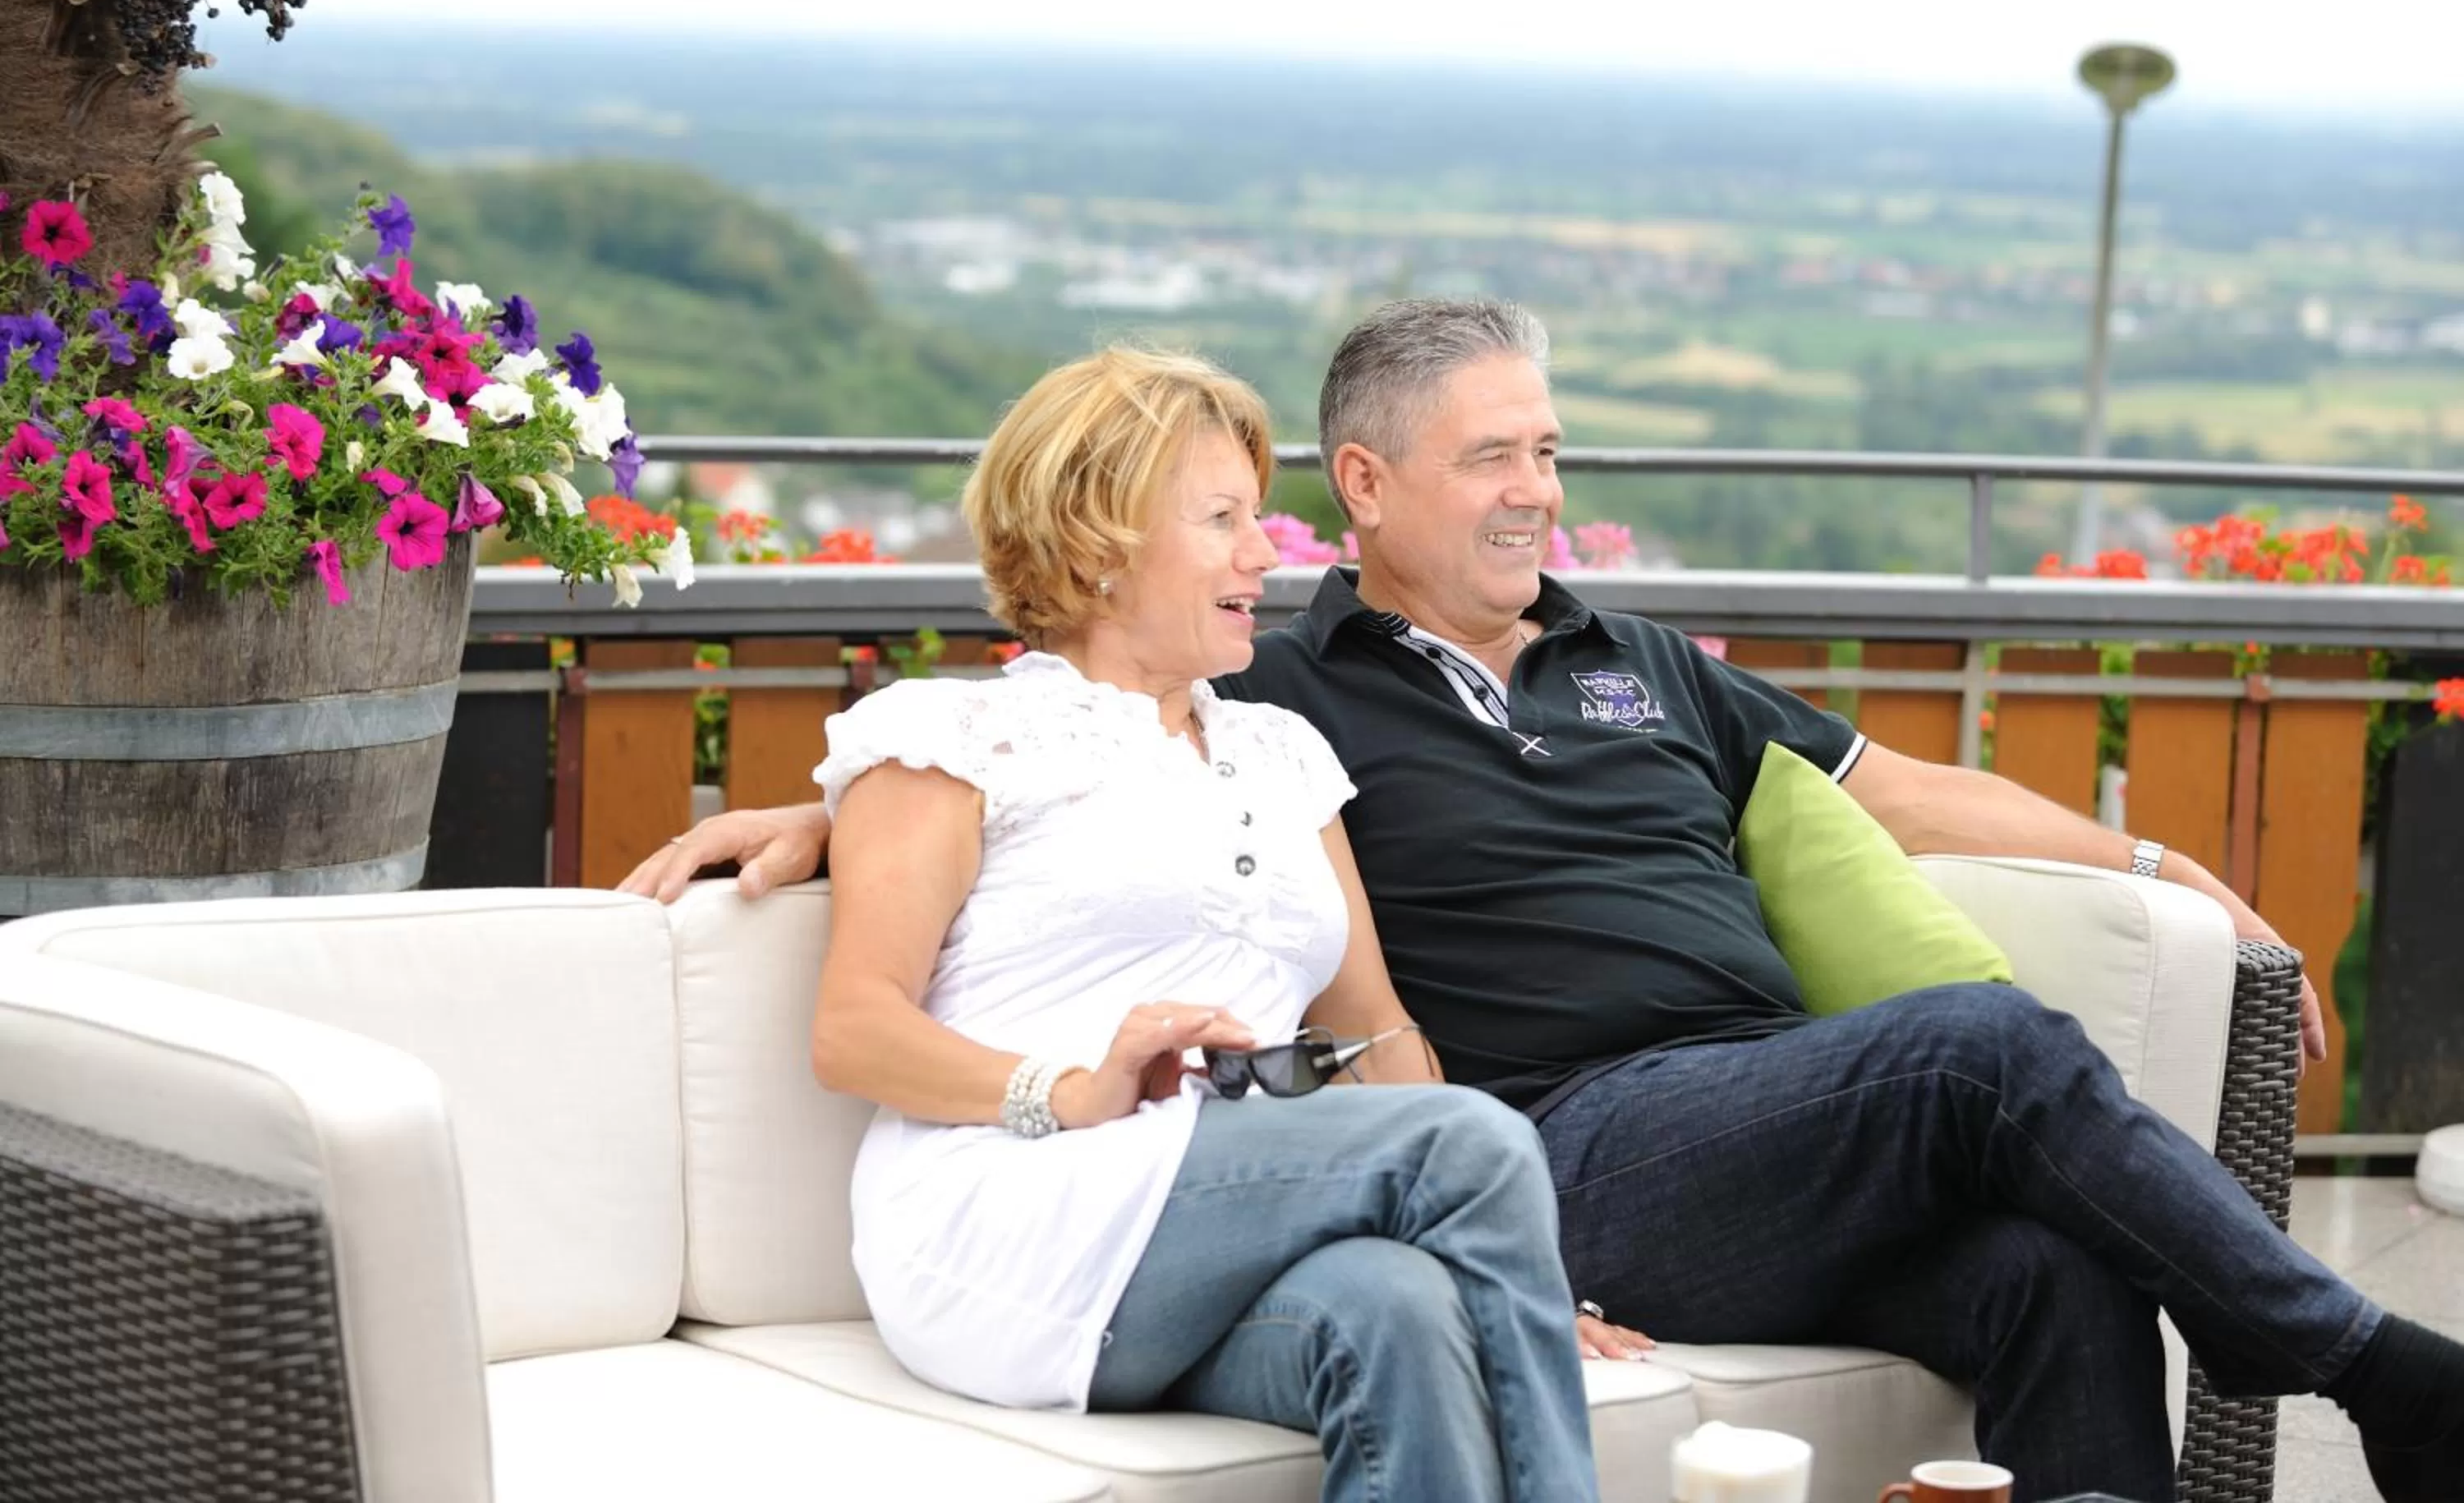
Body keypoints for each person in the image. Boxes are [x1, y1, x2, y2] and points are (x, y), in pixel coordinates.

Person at [627, 304, 2464, 1503]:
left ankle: (2269, 1361)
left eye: (1551, 451)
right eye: (1494, 456)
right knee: (1978, 1047)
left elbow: (1896, 792)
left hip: (1756, 1125)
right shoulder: (1287, 687)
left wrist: (2153, 860)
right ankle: (2366, 1364)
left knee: (2049, 1270)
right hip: (1563, 1138)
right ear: (1367, 487)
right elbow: (1049, 761)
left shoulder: (1599, 671)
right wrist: (826, 809)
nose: (1540, 491)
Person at [788, 344, 1615, 1503]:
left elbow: (1376, 1034)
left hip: (1201, 1230)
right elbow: (853, 1033)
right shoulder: (951, 739)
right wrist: (1071, 1090)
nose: (1263, 552)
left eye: (1257, 517)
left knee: (1402, 1310)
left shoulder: (1282, 754)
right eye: (1222, 519)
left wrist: (1510, 1275)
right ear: (1097, 544)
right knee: (1469, 1141)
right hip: (1013, 1214)